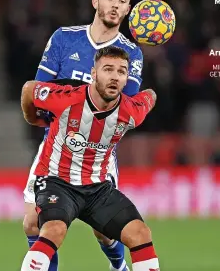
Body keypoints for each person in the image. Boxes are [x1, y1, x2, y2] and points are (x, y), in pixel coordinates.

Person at [22, 0, 144, 271]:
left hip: (97, 154)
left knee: (104, 231)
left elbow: (123, 111)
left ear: (129, 9)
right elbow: (39, 90)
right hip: (56, 146)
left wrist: (73, 98)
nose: (116, 4)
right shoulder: (64, 38)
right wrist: (38, 118)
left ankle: (119, 267)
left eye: (123, 0)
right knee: (33, 224)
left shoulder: (131, 53)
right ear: (95, 1)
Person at [20, 46, 158, 271]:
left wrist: (150, 95)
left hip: (97, 188)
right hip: (57, 180)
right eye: (108, 69)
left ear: (126, 80)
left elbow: (150, 96)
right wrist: (35, 120)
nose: (114, 77)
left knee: (140, 234)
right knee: (53, 230)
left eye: (121, 72)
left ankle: (118, 266)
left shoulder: (131, 112)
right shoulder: (66, 99)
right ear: (94, 74)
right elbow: (29, 90)